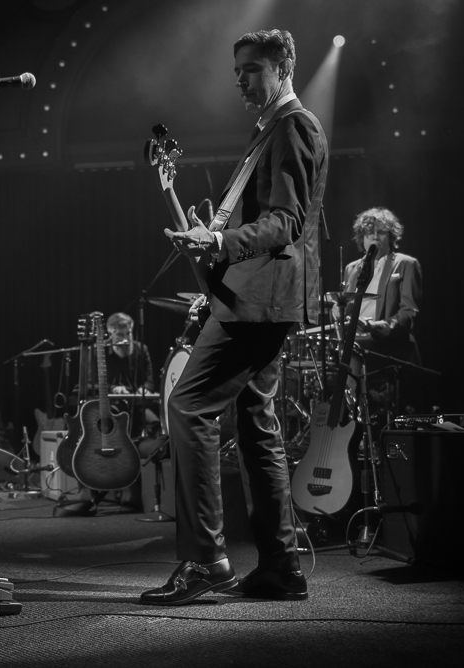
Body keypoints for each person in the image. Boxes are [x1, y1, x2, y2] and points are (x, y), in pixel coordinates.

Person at [140, 28, 327, 605]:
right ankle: (281, 565)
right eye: (237, 70)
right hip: (256, 298)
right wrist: (213, 236)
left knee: (188, 406)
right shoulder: (269, 130)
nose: (241, 80)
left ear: (284, 64)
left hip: (260, 303)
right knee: (256, 426)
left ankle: (206, 561)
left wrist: (219, 242)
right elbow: (258, 221)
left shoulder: (294, 126)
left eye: (251, 69)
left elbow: (286, 221)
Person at [340, 207, 422, 413]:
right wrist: (338, 311)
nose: (375, 236)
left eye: (381, 232)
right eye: (369, 232)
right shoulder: (352, 268)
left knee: (350, 350)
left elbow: (408, 315)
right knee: (331, 349)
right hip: (356, 339)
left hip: (388, 343)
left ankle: (351, 411)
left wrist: (373, 326)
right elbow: (346, 306)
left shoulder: (406, 264)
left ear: (391, 236)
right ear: (362, 238)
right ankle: (344, 416)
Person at [85, 312, 158, 436]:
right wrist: (114, 388)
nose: (125, 339)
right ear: (110, 333)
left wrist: (144, 389)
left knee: (157, 426)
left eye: (128, 333)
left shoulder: (141, 350)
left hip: (137, 406)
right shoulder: (98, 351)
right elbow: (90, 385)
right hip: (109, 407)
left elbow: (149, 381)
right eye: (119, 334)